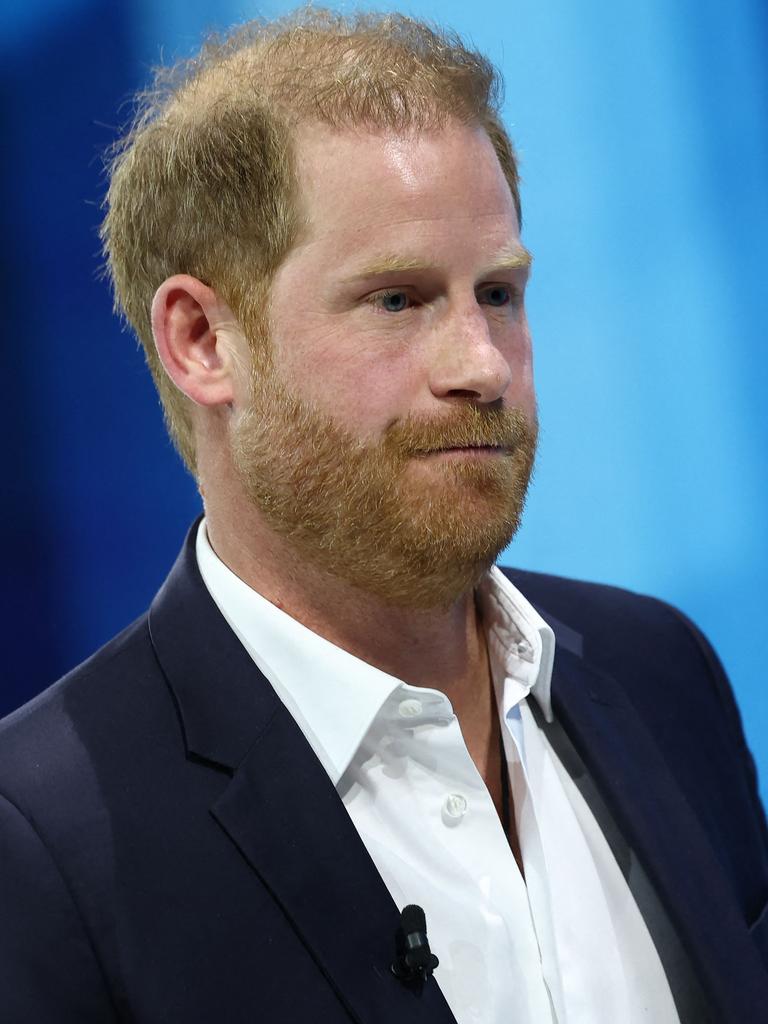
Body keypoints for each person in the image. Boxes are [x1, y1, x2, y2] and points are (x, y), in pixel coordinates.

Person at [1, 8, 766, 1022]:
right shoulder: (40, 839)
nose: (483, 365)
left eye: (498, 293)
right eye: (398, 300)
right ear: (201, 340)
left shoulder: (660, 673)